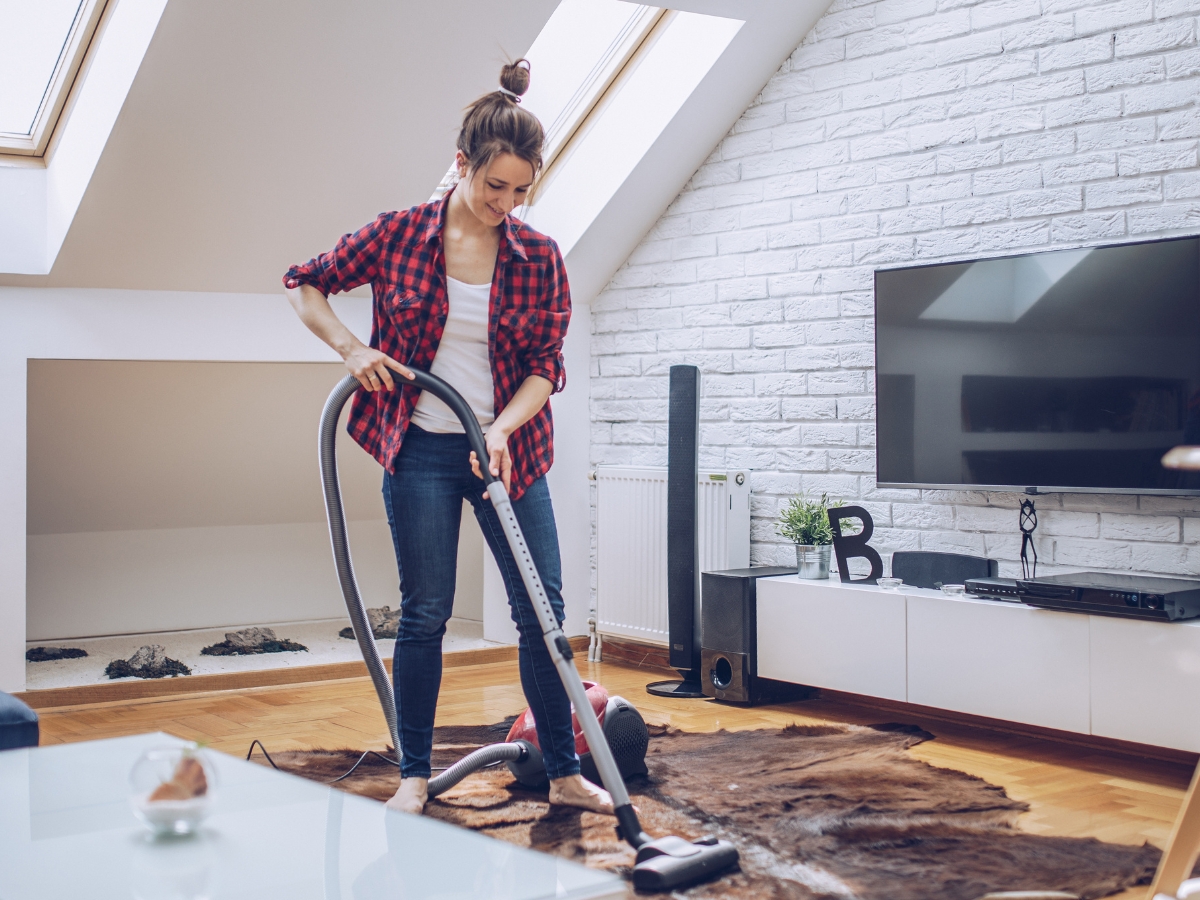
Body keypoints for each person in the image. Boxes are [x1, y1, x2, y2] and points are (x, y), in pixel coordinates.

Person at [283, 61, 613, 817]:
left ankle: (563, 771)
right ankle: (412, 776)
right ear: (461, 164)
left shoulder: (539, 258)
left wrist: (501, 425)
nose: (507, 203)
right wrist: (352, 349)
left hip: (509, 453)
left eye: (521, 189)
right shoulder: (399, 235)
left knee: (541, 611)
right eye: (495, 186)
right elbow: (306, 281)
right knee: (426, 612)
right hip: (421, 447)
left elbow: (544, 369)